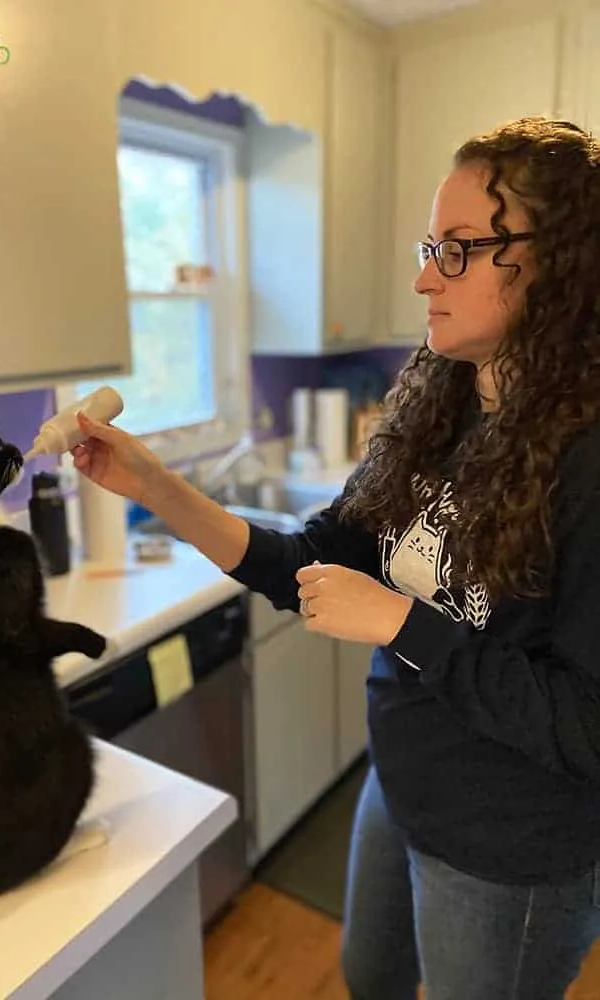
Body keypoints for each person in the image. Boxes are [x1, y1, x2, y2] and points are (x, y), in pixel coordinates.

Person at [71, 115, 600, 1000]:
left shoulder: (587, 458)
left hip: (513, 846)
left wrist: (401, 621)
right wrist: (158, 487)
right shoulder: (441, 406)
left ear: (562, 264)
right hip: (402, 781)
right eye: (431, 244)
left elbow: (587, 724)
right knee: (370, 975)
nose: (423, 275)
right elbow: (311, 562)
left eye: (460, 249)